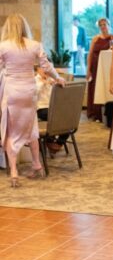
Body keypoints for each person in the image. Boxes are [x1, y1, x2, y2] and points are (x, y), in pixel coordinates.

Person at [0, 14, 65, 187]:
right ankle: (37, 164)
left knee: (10, 131)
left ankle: (14, 172)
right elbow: (46, 66)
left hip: (12, 92)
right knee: (31, 127)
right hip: (29, 92)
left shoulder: (3, 46)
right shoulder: (34, 45)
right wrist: (58, 78)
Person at [86, 18, 113, 121]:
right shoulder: (95, 39)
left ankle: (108, 113)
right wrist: (88, 69)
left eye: (105, 24)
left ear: (109, 25)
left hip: (107, 67)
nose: (103, 27)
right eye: (101, 25)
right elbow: (90, 54)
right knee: (94, 88)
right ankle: (95, 114)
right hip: (95, 66)